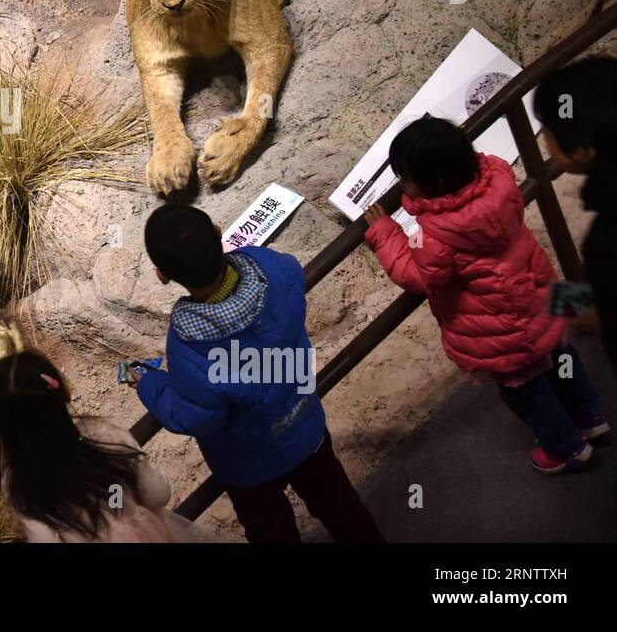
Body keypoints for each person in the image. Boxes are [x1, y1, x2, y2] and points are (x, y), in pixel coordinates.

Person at [364, 116, 608, 473]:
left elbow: (418, 277)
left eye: (405, 178)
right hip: (543, 297)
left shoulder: (435, 237)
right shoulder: (501, 183)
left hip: (504, 335)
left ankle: (567, 449)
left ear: (435, 183)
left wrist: (386, 234)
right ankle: (592, 418)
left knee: (529, 392)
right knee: (562, 359)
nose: (402, 185)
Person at [134, 204, 382, 543]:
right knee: (340, 504)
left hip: (249, 465)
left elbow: (195, 416)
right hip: (305, 425)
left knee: (271, 531)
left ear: (162, 274)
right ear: (220, 235)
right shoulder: (273, 269)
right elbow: (292, 276)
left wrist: (150, 383)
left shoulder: (189, 345)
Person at [0, 350, 218, 543]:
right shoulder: (104, 432)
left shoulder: (15, 480)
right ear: (59, 394)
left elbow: (44, 540)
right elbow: (158, 494)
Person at [533, 54, 617, 372]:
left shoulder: (605, 243)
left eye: (548, 131)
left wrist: (550, 296)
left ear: (582, 150)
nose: (543, 138)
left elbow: (600, 318)